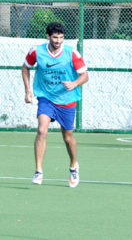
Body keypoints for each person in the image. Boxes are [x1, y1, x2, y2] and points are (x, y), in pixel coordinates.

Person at [22, 22, 89, 188]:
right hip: (46, 97)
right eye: (55, 37)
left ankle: (74, 166)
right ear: (48, 36)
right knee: (41, 130)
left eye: (61, 37)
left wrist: (74, 83)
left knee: (67, 137)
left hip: (67, 99)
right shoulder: (37, 51)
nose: (58, 40)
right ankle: (38, 171)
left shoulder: (71, 53)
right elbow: (25, 68)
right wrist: (28, 90)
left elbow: (85, 76)